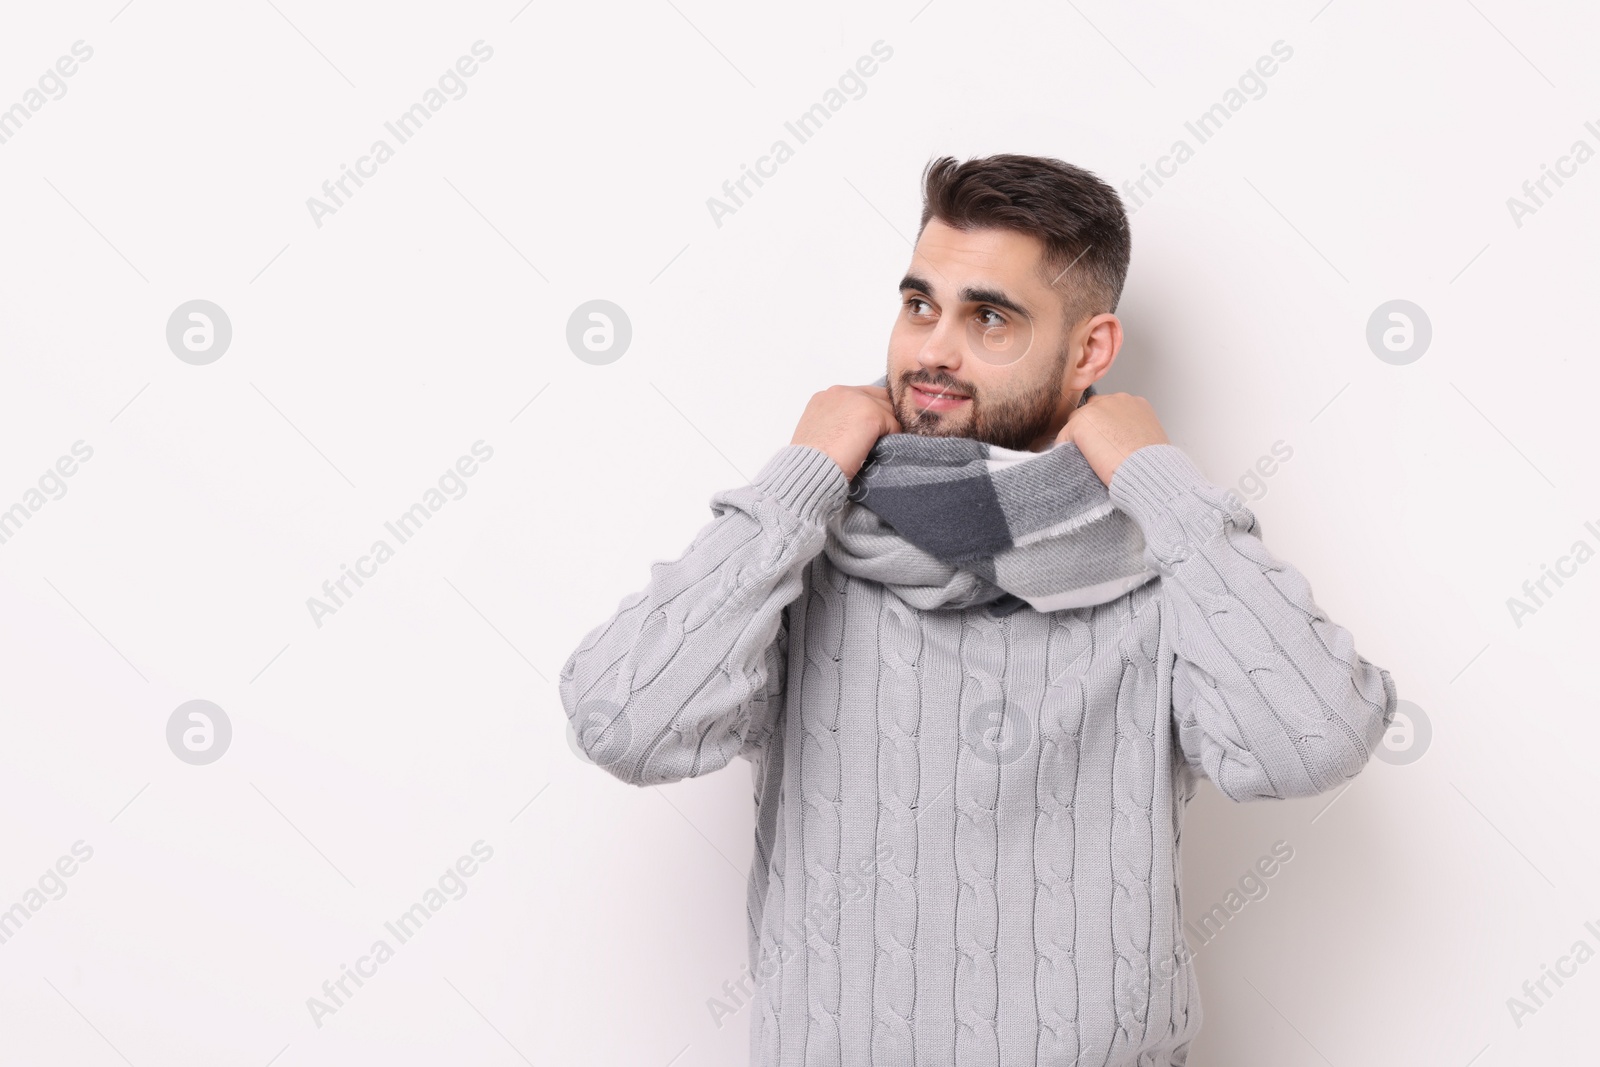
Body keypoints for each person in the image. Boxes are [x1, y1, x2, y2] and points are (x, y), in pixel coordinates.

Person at [558, 153, 1398, 1067]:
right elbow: (624, 724)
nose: (931, 351)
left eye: (989, 318)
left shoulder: (1163, 563)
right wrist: (799, 479)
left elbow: (1313, 739)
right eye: (921, 306)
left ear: (1090, 352)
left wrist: (1163, 486)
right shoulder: (808, 552)